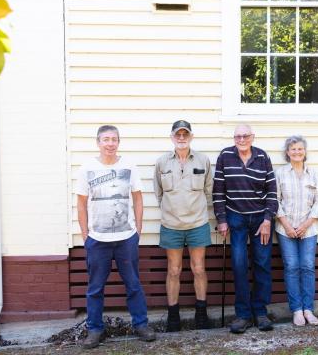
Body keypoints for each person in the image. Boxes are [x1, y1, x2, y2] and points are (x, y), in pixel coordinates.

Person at [75, 125, 156, 349]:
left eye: (114, 139)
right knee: (95, 288)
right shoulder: (86, 168)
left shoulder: (129, 166)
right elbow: (81, 203)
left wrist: (137, 229)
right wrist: (85, 235)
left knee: (133, 285)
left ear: (118, 142)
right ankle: (94, 330)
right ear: (98, 142)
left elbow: (138, 198)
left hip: (126, 238)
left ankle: (141, 325)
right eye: (106, 139)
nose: (110, 143)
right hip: (97, 240)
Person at [213, 124, 278, 334]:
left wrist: (268, 219)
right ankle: (242, 315)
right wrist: (222, 219)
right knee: (239, 264)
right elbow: (218, 191)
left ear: (252, 137)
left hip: (261, 219)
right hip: (235, 216)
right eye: (238, 136)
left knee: (262, 263)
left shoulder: (262, 157)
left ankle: (260, 312)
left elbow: (272, 191)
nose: (241, 139)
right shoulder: (225, 156)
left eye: (245, 136)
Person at [153, 120, 213, 332]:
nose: (181, 138)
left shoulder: (203, 160)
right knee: (174, 270)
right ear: (171, 137)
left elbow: (208, 191)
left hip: (197, 223)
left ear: (191, 137)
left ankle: (201, 315)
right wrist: (171, 210)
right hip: (171, 224)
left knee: (198, 268)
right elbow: (158, 193)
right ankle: (173, 317)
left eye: (184, 134)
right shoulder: (162, 162)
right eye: (177, 134)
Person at [275, 135, 318, 326]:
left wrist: (305, 225)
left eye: (300, 149)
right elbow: (275, 200)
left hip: (308, 230)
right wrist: (287, 225)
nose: (297, 152)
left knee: (308, 267)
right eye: (293, 149)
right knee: (292, 267)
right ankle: (296, 310)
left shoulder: (314, 174)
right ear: (287, 153)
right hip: (285, 229)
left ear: (305, 152)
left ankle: (308, 309)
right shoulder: (280, 174)